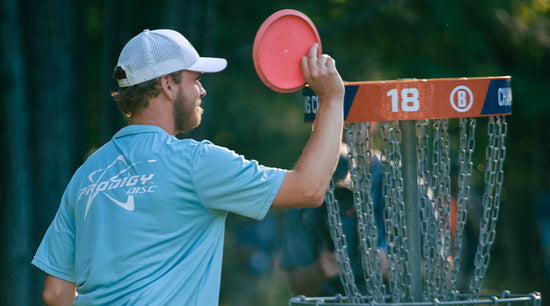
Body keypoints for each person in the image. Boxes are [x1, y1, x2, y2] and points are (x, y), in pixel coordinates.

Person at [31, 29, 345, 305]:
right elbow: (309, 188)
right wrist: (331, 98)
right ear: (167, 85)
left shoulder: (86, 174)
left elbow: (55, 294)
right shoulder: (196, 163)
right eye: (195, 80)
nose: (202, 90)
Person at [280, 147, 386, 297]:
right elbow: (297, 285)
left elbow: (430, 271)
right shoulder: (303, 201)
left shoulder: (396, 182)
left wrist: (394, 267)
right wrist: (319, 270)